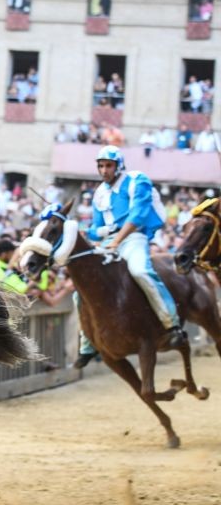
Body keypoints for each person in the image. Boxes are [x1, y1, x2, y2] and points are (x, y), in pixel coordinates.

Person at [74, 146, 185, 368]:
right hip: (110, 242)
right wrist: (107, 233)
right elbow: (94, 229)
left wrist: (117, 237)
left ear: (119, 166)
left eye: (108, 166)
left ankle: (172, 325)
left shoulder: (137, 180)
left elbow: (138, 216)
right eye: (101, 166)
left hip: (134, 238)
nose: (104, 170)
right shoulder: (99, 193)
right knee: (80, 293)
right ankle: (88, 343)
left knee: (140, 271)